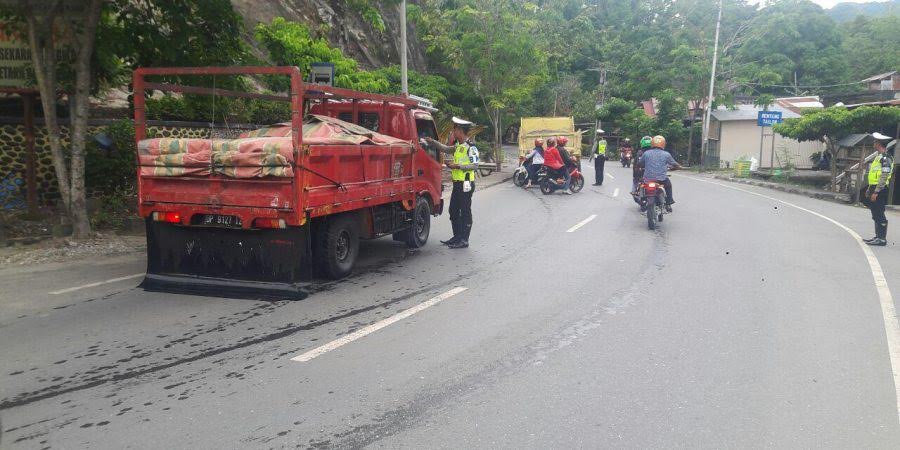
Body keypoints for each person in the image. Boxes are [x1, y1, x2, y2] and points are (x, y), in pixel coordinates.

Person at [423, 116, 479, 249]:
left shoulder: (471, 147)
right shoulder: (458, 146)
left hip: (466, 183)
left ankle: (464, 240)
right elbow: (446, 149)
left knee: (465, 211)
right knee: (453, 210)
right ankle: (457, 237)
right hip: (457, 183)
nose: (453, 132)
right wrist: (432, 142)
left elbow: (475, 165)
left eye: (454, 130)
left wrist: (457, 166)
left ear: (460, 130)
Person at [860, 132, 894, 246]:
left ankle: (882, 239)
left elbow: (884, 175)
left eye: (875, 141)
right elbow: (874, 175)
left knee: (879, 213)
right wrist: (870, 189)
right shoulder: (879, 157)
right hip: (875, 187)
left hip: (881, 188)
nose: (874, 143)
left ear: (879, 143)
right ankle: (877, 236)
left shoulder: (886, 158)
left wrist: (876, 191)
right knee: (875, 212)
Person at [640, 135, 682, 211]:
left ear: (652, 143)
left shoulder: (646, 153)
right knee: (668, 185)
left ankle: (643, 201)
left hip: (648, 179)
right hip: (661, 179)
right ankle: (668, 203)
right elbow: (675, 164)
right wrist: (678, 167)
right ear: (663, 144)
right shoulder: (666, 154)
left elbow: (640, 163)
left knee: (642, 186)